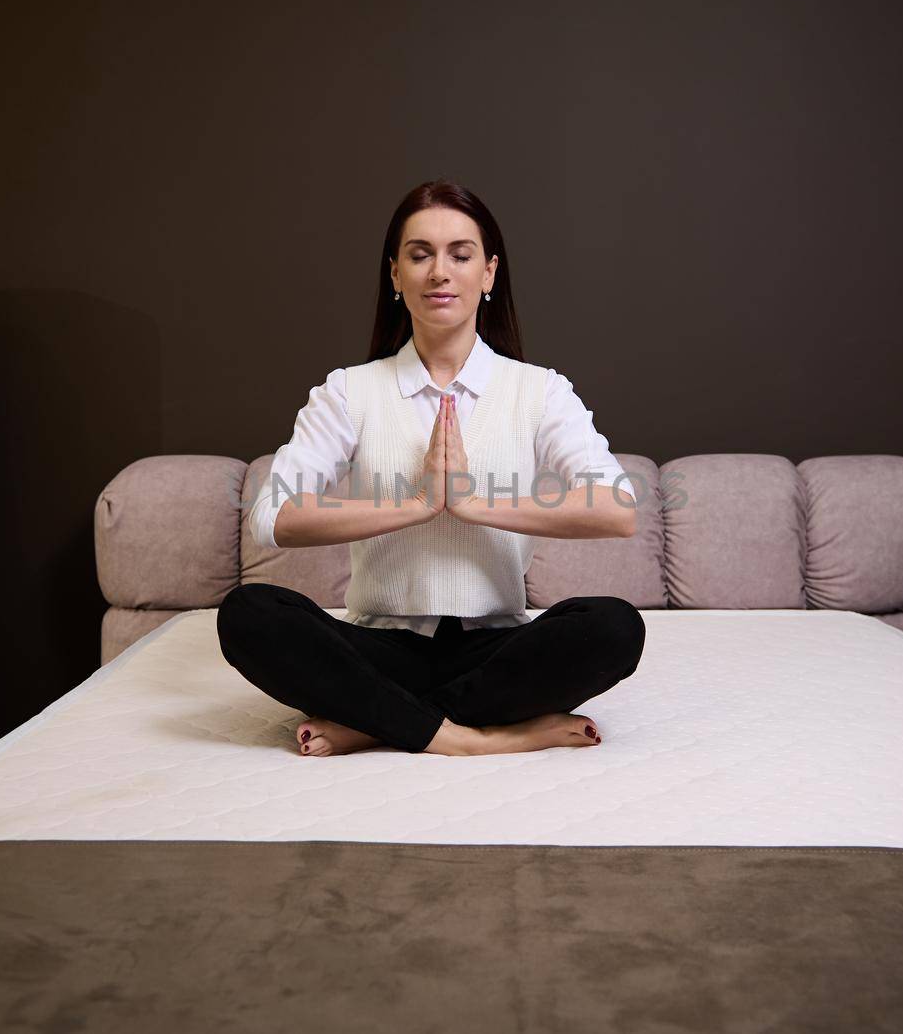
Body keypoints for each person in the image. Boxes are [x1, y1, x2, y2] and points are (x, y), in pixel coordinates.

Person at [218, 179, 646, 758]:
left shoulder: (539, 391)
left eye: (460, 255)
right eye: (419, 255)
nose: (439, 272)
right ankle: (475, 737)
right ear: (395, 275)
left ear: (489, 274)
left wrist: (472, 503)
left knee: (615, 627)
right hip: (381, 642)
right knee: (249, 614)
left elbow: (618, 510)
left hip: (491, 644)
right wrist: (416, 505)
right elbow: (272, 518)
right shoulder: (349, 391)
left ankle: (377, 720)